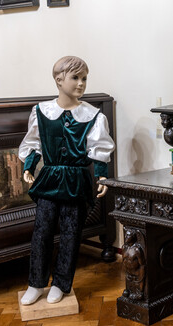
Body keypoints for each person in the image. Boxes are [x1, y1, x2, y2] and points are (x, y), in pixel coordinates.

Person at [18, 56, 115, 305]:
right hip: (49, 179)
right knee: (42, 232)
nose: (81, 83)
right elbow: (34, 143)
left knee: (71, 234)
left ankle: (61, 284)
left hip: (76, 182)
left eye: (84, 78)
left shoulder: (93, 115)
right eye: (75, 78)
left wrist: (102, 176)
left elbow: (98, 149)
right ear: (59, 80)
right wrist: (29, 167)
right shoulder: (41, 111)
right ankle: (36, 283)